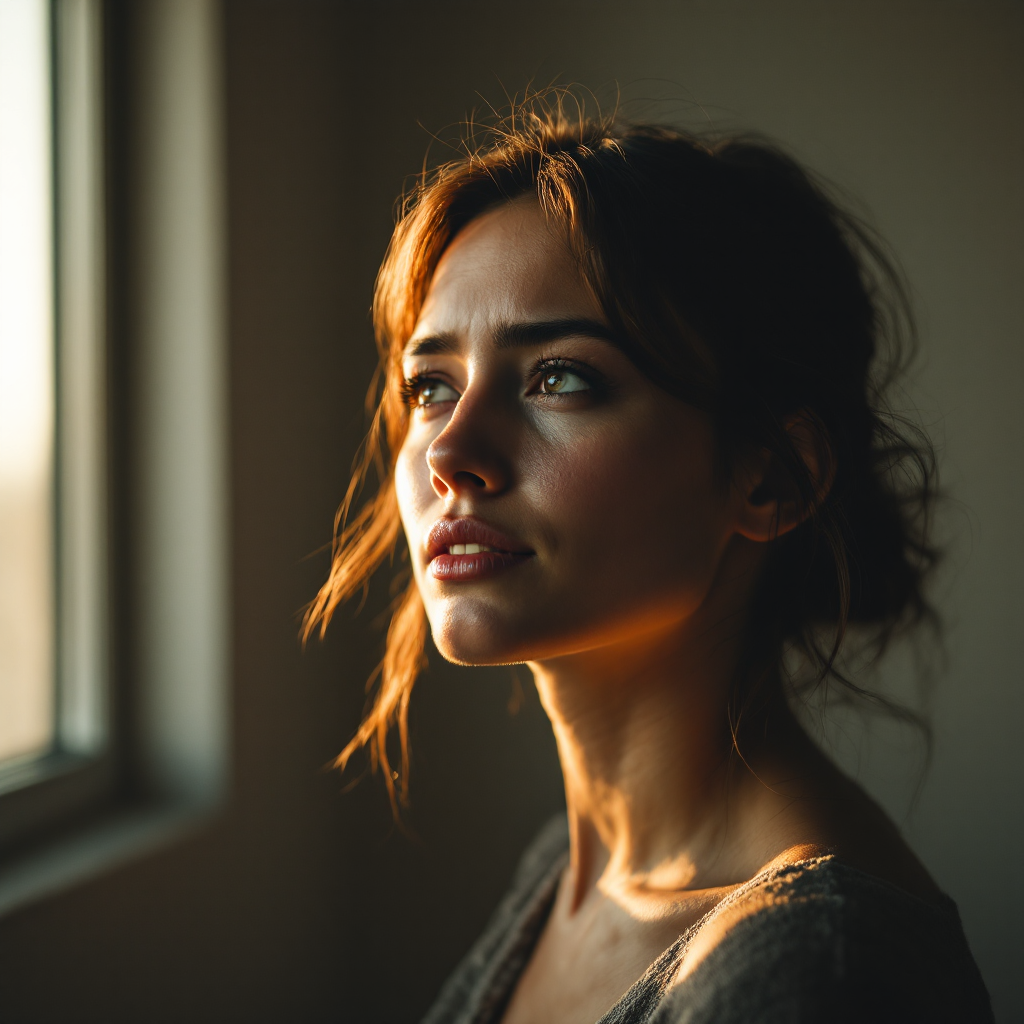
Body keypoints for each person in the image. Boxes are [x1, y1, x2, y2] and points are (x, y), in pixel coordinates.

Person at [304, 95, 993, 1023]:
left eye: (560, 378)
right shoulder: (573, 872)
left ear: (771, 480)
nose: (448, 451)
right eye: (431, 386)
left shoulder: (820, 976)